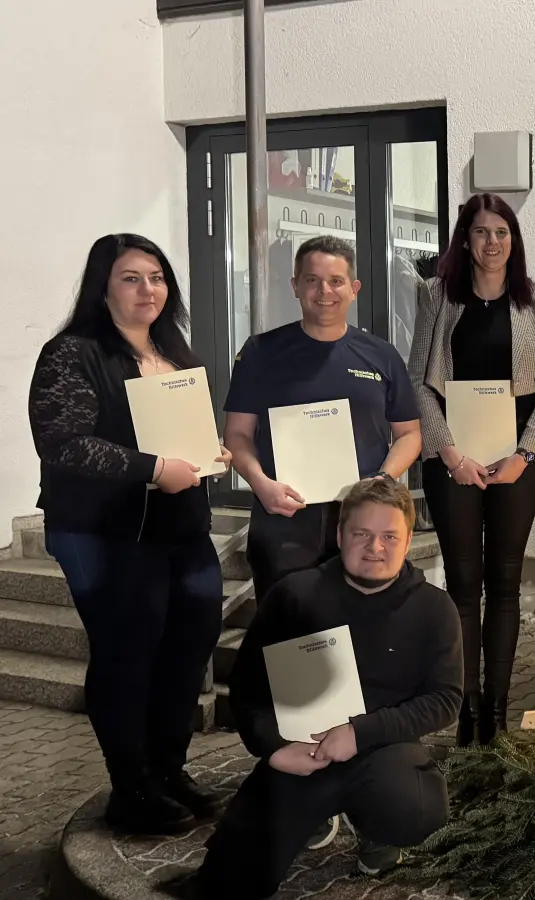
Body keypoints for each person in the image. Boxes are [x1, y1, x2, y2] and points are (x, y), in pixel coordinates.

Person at [27, 234, 232, 835]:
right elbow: (62, 443)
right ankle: (131, 787)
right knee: (126, 654)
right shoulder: (72, 352)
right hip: (102, 533)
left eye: (157, 277)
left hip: (180, 526)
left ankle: (168, 769)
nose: (149, 290)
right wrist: (153, 469)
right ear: (103, 286)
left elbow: (182, 435)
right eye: (131, 278)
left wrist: (204, 453)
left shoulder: (176, 350)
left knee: (189, 644)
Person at [185, 478, 462, 899]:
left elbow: (444, 699)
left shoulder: (434, 608)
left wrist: (359, 734)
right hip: (303, 748)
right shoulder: (295, 597)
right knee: (231, 881)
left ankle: (378, 831)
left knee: (417, 807)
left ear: (408, 541)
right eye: (361, 534)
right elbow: (248, 690)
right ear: (339, 535)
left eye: (390, 536)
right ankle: (312, 813)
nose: (375, 547)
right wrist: (274, 749)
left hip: (383, 748)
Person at [408, 193, 535, 746]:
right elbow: (419, 381)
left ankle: (497, 714)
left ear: (513, 240)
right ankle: (465, 713)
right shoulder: (436, 296)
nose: (491, 242)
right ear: (465, 240)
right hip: (455, 462)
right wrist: (449, 452)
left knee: (505, 585)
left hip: (516, 462)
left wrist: (524, 454)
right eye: (480, 232)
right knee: (461, 584)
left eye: (501, 232)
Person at [223, 236, 423, 602]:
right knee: (286, 637)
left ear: (354, 289)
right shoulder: (260, 353)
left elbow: (410, 434)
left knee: (361, 630)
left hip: (362, 522)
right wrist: (260, 483)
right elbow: (236, 435)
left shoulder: (382, 356)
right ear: (296, 286)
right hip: (282, 520)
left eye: (335, 281)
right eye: (312, 280)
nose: (324, 291)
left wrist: (381, 480)